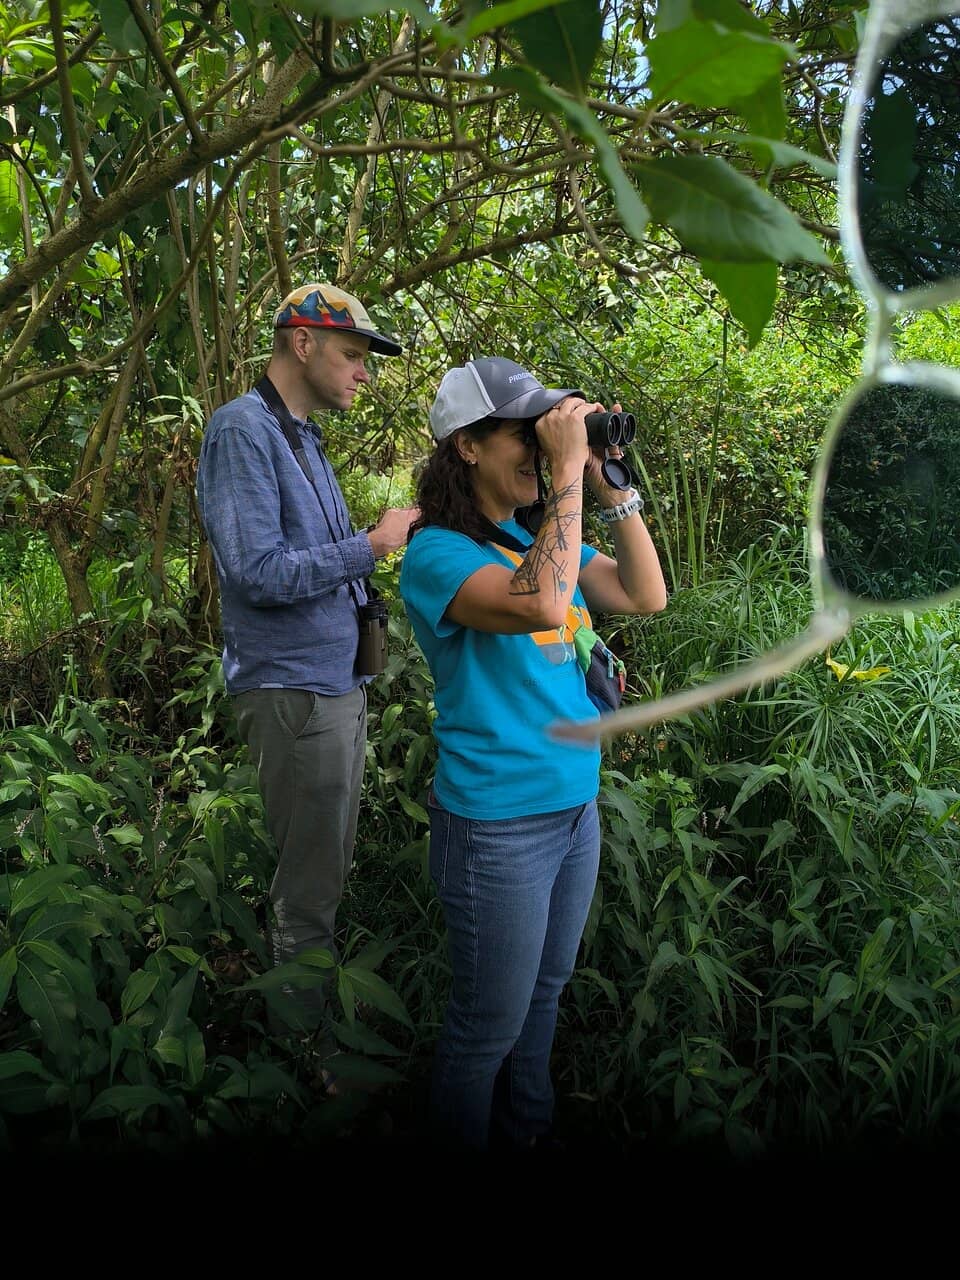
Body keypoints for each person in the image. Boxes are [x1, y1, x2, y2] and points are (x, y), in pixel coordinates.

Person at [399, 357, 668, 1149]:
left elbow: (645, 595)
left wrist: (612, 485)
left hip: (571, 806)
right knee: (487, 1027)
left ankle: (528, 1133)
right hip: (496, 826)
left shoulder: (529, 532)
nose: (543, 448)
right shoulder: (438, 555)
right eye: (525, 433)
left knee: (545, 994)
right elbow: (546, 599)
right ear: (466, 448)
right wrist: (565, 473)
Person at [195, 282, 418, 1055]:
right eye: (354, 355)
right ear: (302, 344)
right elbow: (256, 571)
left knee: (323, 868)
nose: (365, 373)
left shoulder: (303, 435)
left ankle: (304, 1029)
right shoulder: (242, 431)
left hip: (332, 686)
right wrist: (373, 546)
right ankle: (303, 1054)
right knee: (309, 887)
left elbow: (304, 562)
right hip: (292, 692)